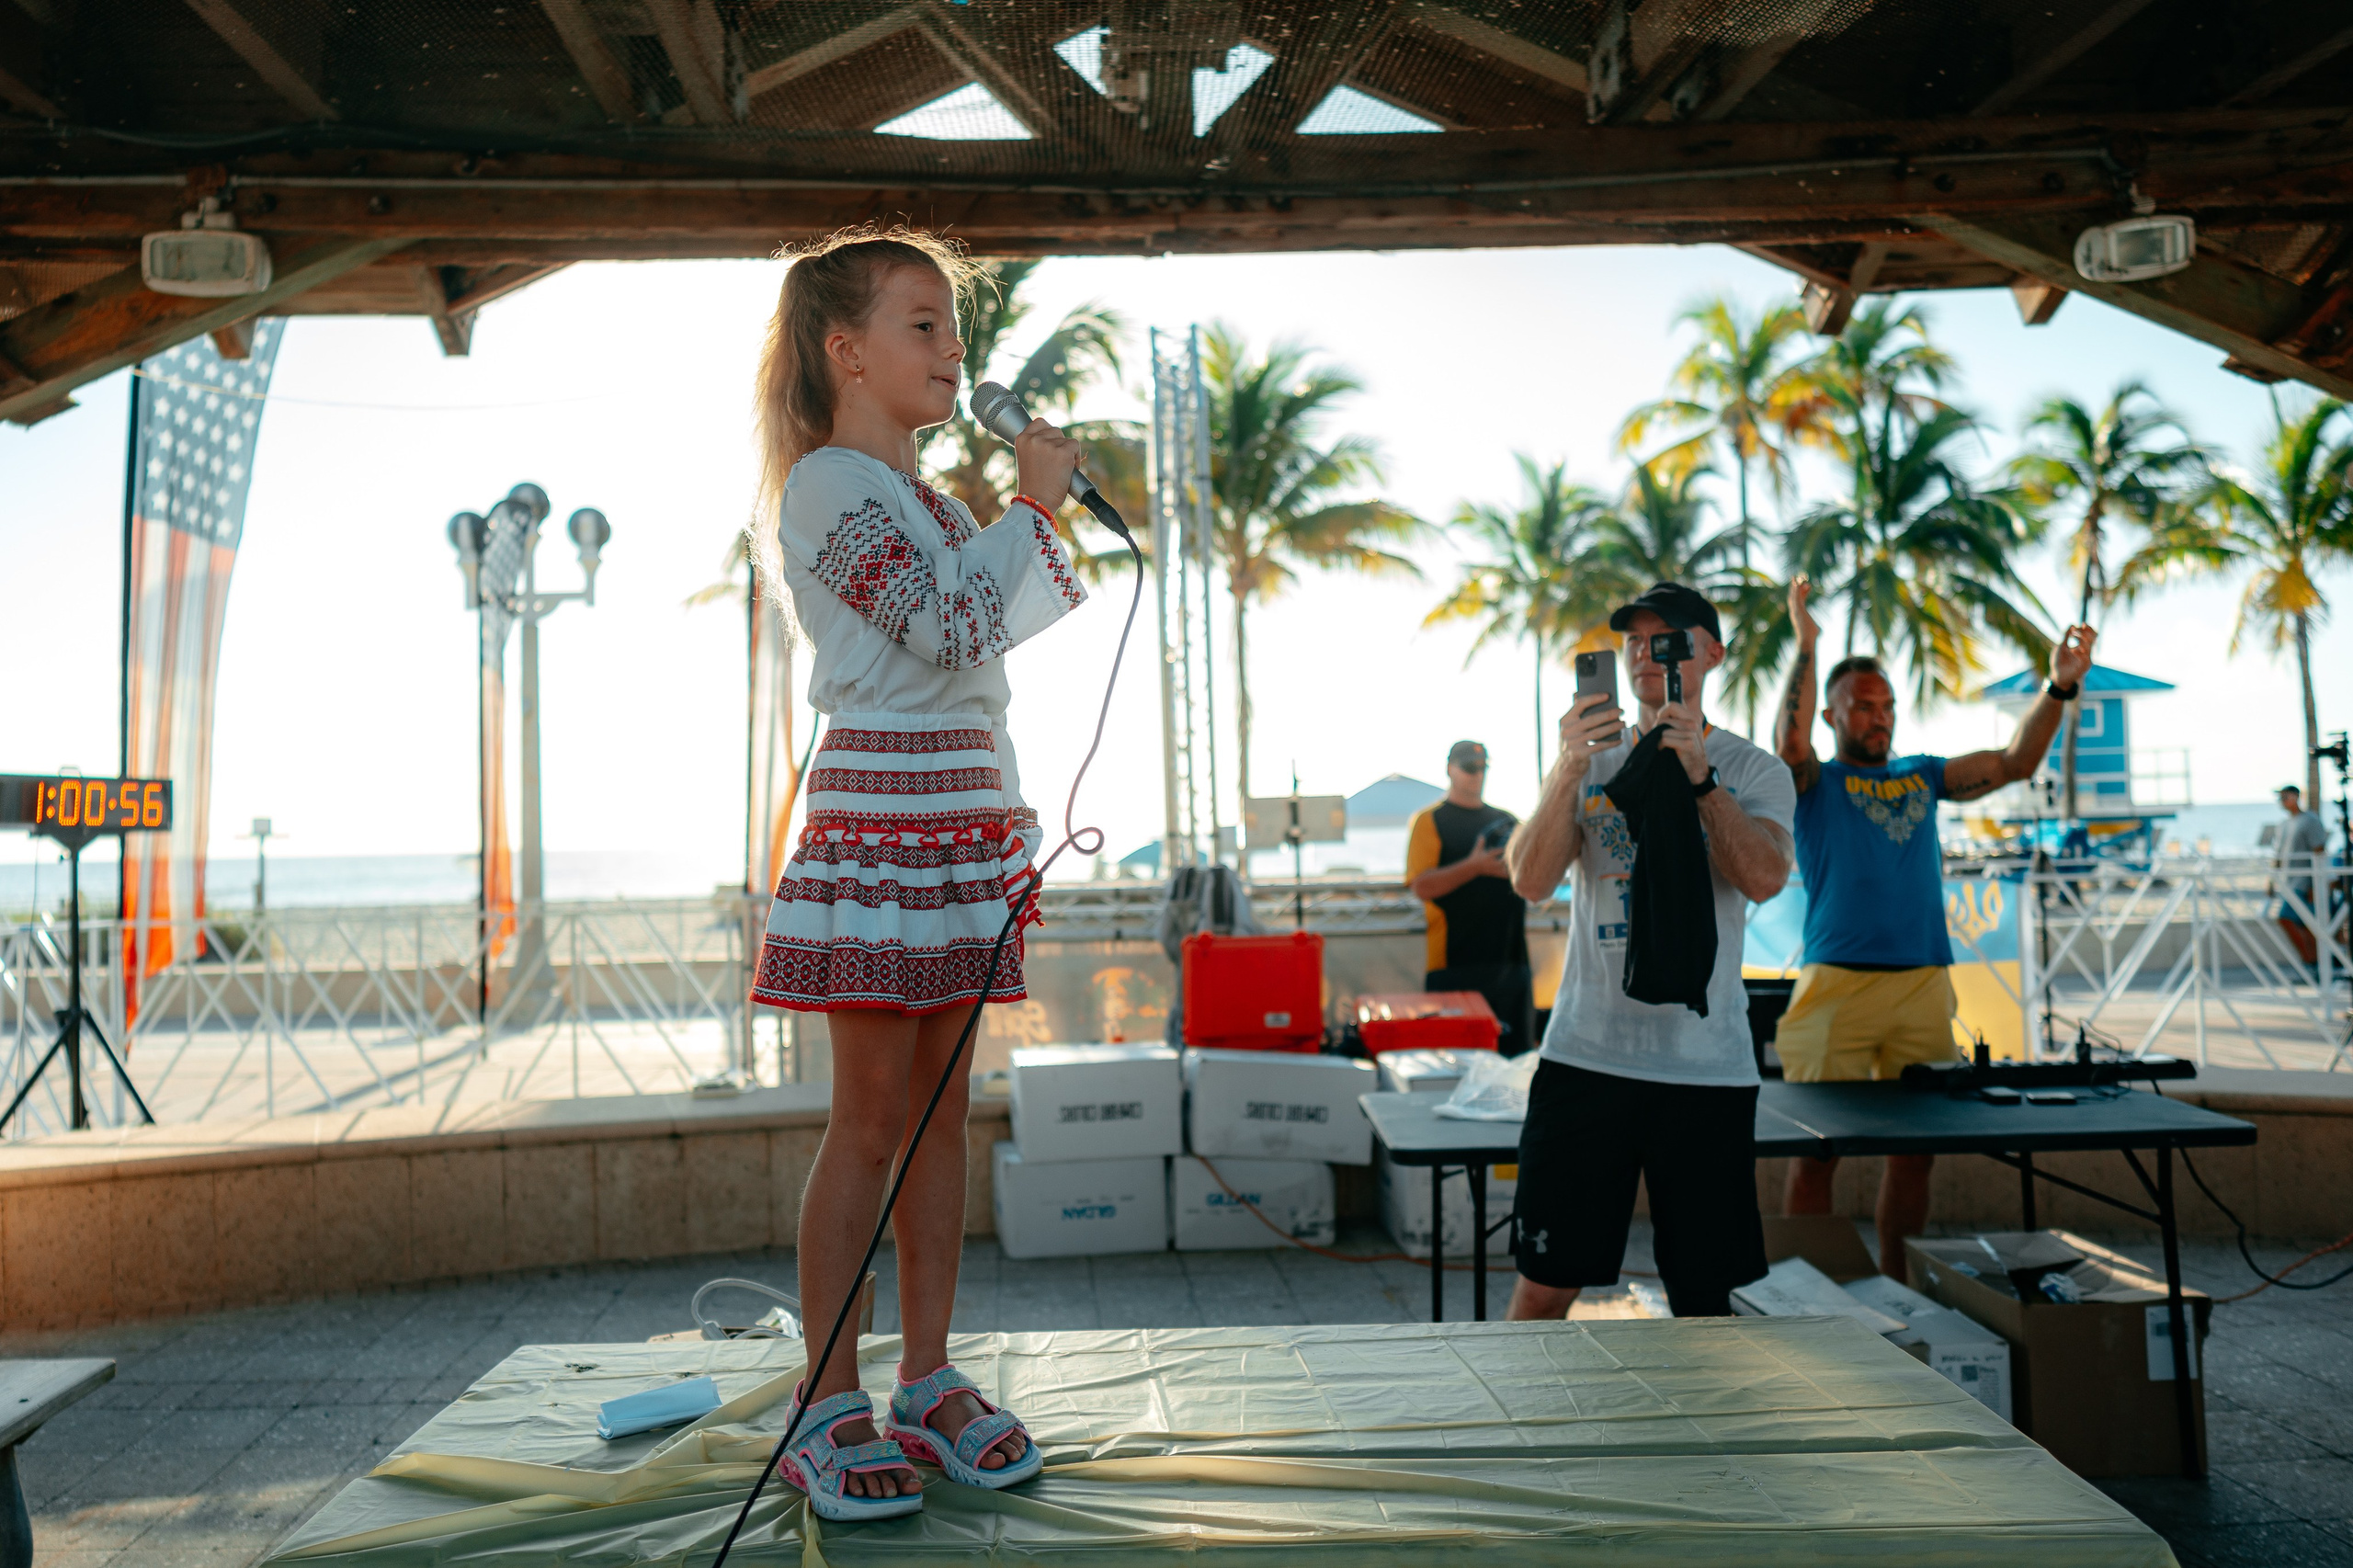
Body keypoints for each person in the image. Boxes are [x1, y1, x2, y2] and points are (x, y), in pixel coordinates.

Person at [748, 228, 1082, 1518]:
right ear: (846, 349)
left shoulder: (936, 504)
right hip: (882, 818)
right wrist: (1034, 510)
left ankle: (927, 1376)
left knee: (943, 1113)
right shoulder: (824, 487)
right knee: (872, 1117)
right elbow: (948, 624)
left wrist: (1013, 521)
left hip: (958, 814)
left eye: (953, 326)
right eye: (923, 324)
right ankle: (823, 1399)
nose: (953, 350)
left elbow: (973, 643)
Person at [1772, 575, 2097, 1279]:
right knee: (1816, 1152)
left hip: (1923, 986)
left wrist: (2060, 687)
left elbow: (2016, 763)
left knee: (1916, 1152)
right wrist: (1806, 643)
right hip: (1835, 989)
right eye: (1863, 707)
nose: (1879, 717)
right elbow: (1789, 742)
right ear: (1832, 715)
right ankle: (1806, 1300)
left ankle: (1900, 1286)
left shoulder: (1924, 775)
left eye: (1886, 705)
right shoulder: (1815, 783)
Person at [1504, 583, 1796, 1320]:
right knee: (1545, 1283)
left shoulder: (1754, 769)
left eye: (1666, 639)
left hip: (1706, 1067)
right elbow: (1530, 881)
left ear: (1711, 653)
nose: (1644, 653)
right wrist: (1568, 769)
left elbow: (1765, 879)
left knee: (1704, 1297)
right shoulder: (1588, 761)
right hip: (1586, 1057)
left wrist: (1701, 777)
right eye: (1633, 640)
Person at [1405, 740, 1535, 1054]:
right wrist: (1475, 867)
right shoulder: (1429, 821)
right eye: (1469, 768)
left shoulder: (1508, 821)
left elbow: (1535, 880)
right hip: (1454, 966)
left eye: (1481, 767)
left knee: (1514, 1063)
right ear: (1450, 769)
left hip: (1510, 964)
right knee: (1457, 1063)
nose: (1477, 774)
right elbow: (1421, 886)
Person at [2274, 784, 2330, 966]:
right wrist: (2271, 881)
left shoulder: (2309, 820)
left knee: (2287, 918)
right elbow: (2278, 855)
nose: (2282, 801)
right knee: (2302, 924)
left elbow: (2319, 850)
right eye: (2280, 798)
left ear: (2296, 797)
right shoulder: (2283, 824)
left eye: (2285, 797)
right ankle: (2314, 963)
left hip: (2303, 883)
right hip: (2288, 883)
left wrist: (2315, 884)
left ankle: (2312, 961)